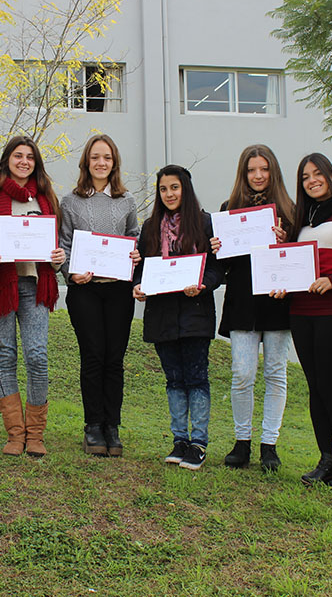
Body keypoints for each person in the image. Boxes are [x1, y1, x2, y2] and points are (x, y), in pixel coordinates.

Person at [0, 136, 66, 458]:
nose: (23, 161)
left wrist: (58, 258)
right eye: (17, 156)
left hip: (36, 283)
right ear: (7, 159)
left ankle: (35, 433)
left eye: (29, 157)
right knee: (5, 354)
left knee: (37, 355)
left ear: (36, 163)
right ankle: (15, 433)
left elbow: (56, 246)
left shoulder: (47, 199)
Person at [133, 165, 223, 471]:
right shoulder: (149, 227)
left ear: (185, 189)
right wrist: (138, 287)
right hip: (162, 316)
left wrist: (203, 285)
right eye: (163, 189)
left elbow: (216, 270)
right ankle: (179, 440)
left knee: (196, 378)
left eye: (174, 187)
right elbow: (141, 269)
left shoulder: (206, 223)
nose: (169, 194)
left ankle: (198, 442)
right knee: (173, 380)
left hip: (196, 313)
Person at [212, 144, 295, 472]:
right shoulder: (228, 207)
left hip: (276, 300)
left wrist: (284, 242)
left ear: (273, 171)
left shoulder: (289, 209)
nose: (258, 175)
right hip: (243, 299)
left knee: (276, 372)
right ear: (243, 174)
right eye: (251, 170)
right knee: (242, 373)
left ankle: (269, 444)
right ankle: (242, 441)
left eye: (264, 169)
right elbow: (226, 263)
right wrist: (218, 247)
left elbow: (297, 259)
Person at [59, 134, 140, 456]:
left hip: (119, 291)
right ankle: (93, 425)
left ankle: (112, 426)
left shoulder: (128, 200)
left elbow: (134, 236)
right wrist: (70, 273)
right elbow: (63, 245)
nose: (101, 163)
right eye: (95, 157)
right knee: (93, 357)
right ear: (86, 162)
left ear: (114, 162)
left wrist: (136, 255)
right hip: (85, 291)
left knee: (114, 360)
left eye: (107, 157)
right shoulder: (70, 201)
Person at [285, 153, 332, 487]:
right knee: (314, 385)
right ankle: (326, 460)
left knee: (329, 384)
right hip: (300, 309)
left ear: (331, 175)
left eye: (318, 173)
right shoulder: (300, 217)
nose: (312, 180)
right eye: (305, 177)